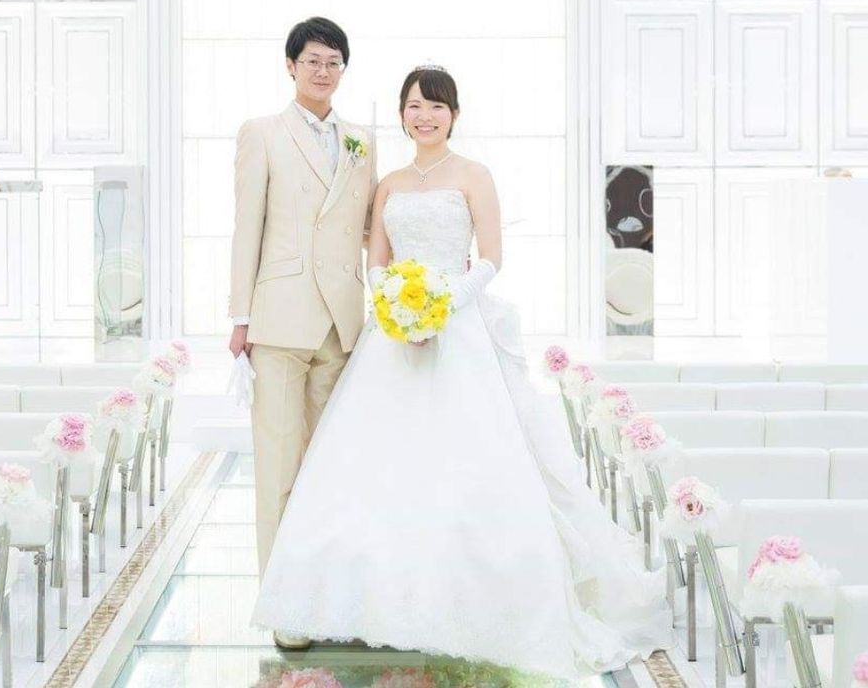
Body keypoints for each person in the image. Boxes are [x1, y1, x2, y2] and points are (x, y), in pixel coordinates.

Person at [251, 65, 674, 677]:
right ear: (402, 115)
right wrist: (395, 305)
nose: (424, 116)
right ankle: (372, 606)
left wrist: (443, 303)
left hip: (460, 327)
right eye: (414, 106)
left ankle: (467, 606)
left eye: (436, 106)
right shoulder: (388, 183)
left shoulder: (474, 175)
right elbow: (376, 261)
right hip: (393, 337)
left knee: (465, 464)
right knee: (375, 467)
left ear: (453, 114)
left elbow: (493, 258)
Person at [229, 16, 377, 651]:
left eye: (333, 61)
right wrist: (239, 317)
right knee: (278, 467)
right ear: (290, 66)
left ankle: (328, 596)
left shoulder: (363, 140)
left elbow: (371, 227)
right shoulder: (261, 133)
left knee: (332, 471)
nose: (323, 70)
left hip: (343, 323)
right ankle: (283, 605)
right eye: (313, 60)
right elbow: (247, 227)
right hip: (280, 320)